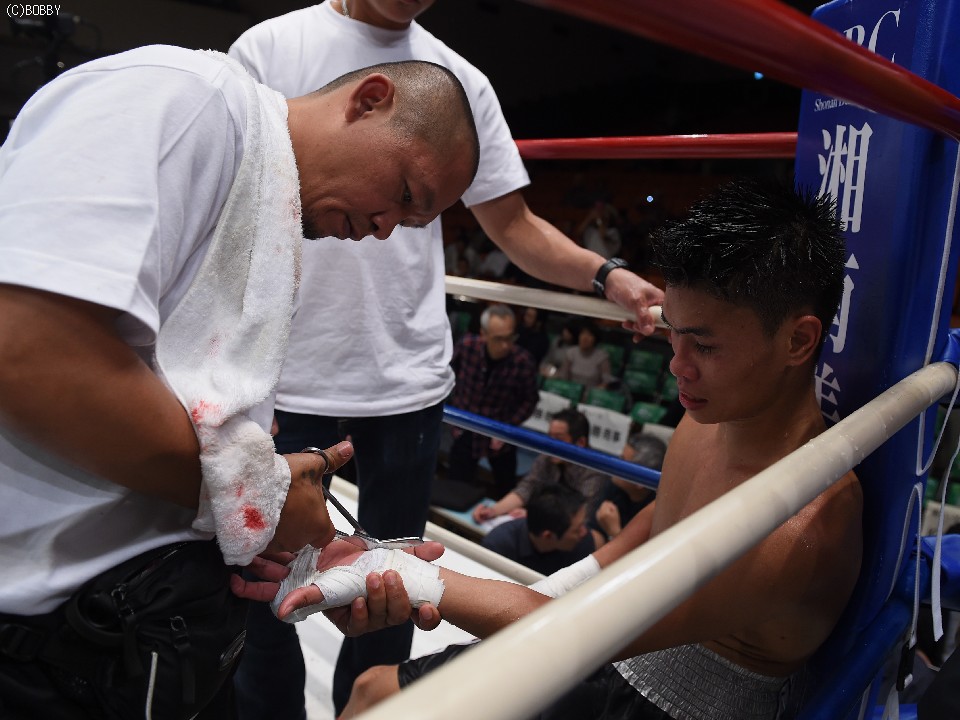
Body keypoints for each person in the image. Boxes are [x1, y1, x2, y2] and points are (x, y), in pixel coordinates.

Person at [243, 180, 864, 720]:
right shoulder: (722, 411)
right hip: (612, 648)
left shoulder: (803, 525)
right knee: (375, 690)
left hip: (669, 701)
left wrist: (397, 571)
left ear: (798, 341)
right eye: (673, 335)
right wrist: (567, 581)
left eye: (703, 345)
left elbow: (584, 633)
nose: (677, 365)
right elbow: (669, 520)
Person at [0, 46, 478, 719]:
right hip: (50, 633)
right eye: (403, 195)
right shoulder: (184, 99)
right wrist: (262, 496)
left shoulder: (266, 198)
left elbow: (178, 403)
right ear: (370, 100)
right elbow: (29, 350)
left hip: (151, 618)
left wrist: (296, 548)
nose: (383, 231)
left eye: (409, 224)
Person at [227, 1, 665, 714]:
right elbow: (233, 201)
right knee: (265, 591)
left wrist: (604, 274)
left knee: (391, 595)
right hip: (285, 373)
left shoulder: (461, 84)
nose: (384, 227)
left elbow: (512, 223)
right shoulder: (272, 46)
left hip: (406, 379)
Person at [446, 304, 540, 498]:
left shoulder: (523, 361)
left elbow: (530, 400)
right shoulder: (467, 346)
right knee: (455, 489)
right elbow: (447, 374)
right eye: (498, 339)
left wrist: (508, 426)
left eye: (510, 338)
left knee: (506, 489)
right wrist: (454, 410)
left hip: (501, 432)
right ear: (483, 334)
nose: (505, 345)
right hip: (466, 428)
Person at [472, 409, 606, 524]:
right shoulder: (546, 457)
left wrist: (534, 517)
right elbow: (527, 487)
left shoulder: (594, 472)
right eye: (550, 437)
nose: (551, 445)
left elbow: (580, 516)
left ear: (580, 442)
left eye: (559, 439)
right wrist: (493, 510)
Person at [482, 484, 604, 575]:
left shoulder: (583, 543)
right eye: (577, 530)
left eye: (583, 524)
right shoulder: (496, 548)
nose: (585, 532)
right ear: (548, 536)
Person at [589, 432, 664, 541]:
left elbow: (642, 551)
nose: (616, 463)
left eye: (623, 462)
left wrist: (614, 532)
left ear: (640, 481)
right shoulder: (613, 486)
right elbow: (592, 533)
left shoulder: (655, 512)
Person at [557, 321, 614, 392]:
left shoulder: (602, 357)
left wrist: (595, 392)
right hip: (570, 391)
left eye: (589, 335)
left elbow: (607, 381)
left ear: (595, 339)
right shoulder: (571, 352)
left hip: (591, 394)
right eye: (583, 333)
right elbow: (563, 376)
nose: (585, 338)